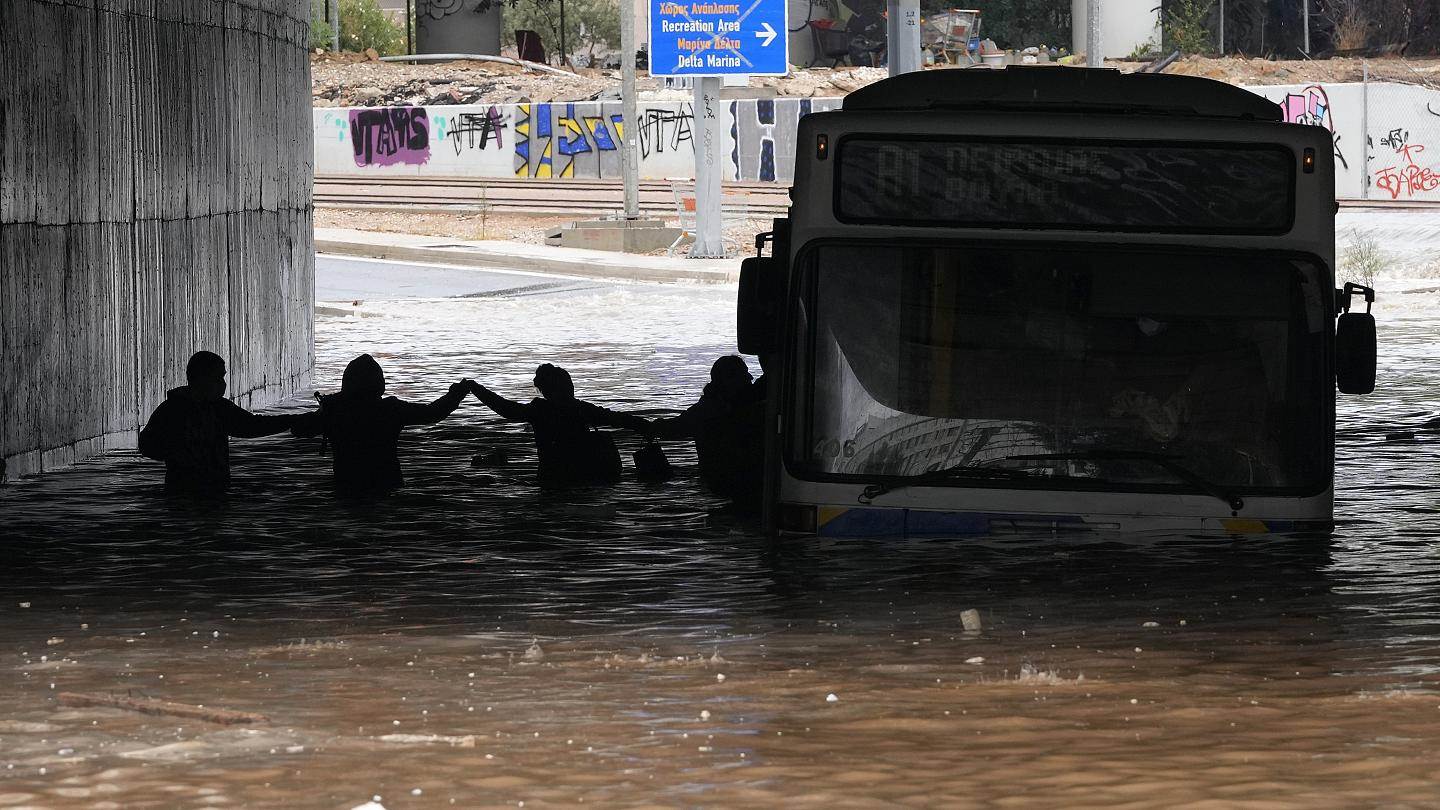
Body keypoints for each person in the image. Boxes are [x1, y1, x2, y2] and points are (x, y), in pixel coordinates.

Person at [290, 354, 469, 496]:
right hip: (388, 485)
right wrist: (456, 394)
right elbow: (432, 414)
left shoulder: (335, 410)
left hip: (346, 488)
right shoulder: (390, 409)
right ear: (380, 384)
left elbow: (301, 429)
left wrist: (326, 408)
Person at [138, 350, 295, 495]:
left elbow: (251, 425)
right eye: (218, 377)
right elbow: (251, 426)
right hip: (198, 490)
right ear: (202, 379)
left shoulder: (176, 408)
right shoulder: (203, 409)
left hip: (185, 494)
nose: (223, 383)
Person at [468, 363, 650, 487]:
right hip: (589, 477)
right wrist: (649, 427)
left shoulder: (540, 411)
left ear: (544, 390)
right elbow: (620, 419)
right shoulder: (582, 409)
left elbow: (507, 410)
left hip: (553, 478)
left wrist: (476, 389)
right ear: (566, 386)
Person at [651, 355, 766, 506]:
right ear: (728, 381)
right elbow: (673, 428)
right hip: (727, 485)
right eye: (744, 374)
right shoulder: (709, 410)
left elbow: (672, 428)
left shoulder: (743, 401)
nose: (750, 377)